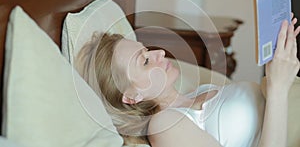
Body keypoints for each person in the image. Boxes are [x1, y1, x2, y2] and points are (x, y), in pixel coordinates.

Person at [75, 18, 300, 147]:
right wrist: (278, 88)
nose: (160, 53)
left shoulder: (198, 92)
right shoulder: (163, 125)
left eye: (147, 50)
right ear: (132, 96)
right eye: (145, 61)